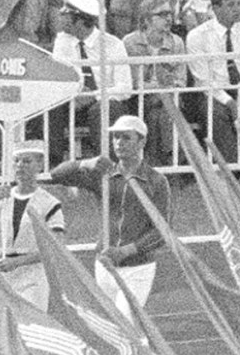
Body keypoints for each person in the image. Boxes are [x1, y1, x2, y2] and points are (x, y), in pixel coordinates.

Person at [45, 113, 173, 308]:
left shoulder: (156, 181)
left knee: (128, 319)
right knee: (113, 328)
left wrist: (126, 251)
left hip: (138, 267)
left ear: (142, 142)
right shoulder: (104, 174)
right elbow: (57, 175)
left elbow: (162, 230)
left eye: (126, 137)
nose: (119, 143)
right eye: (115, 137)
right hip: (104, 263)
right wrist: (84, 163)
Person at [0, 140, 64, 305]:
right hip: (5, 273)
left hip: (33, 274)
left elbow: (56, 246)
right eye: (17, 161)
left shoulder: (49, 203)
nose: (20, 166)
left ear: (39, 165)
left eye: (27, 161)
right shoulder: (4, 199)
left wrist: (18, 262)